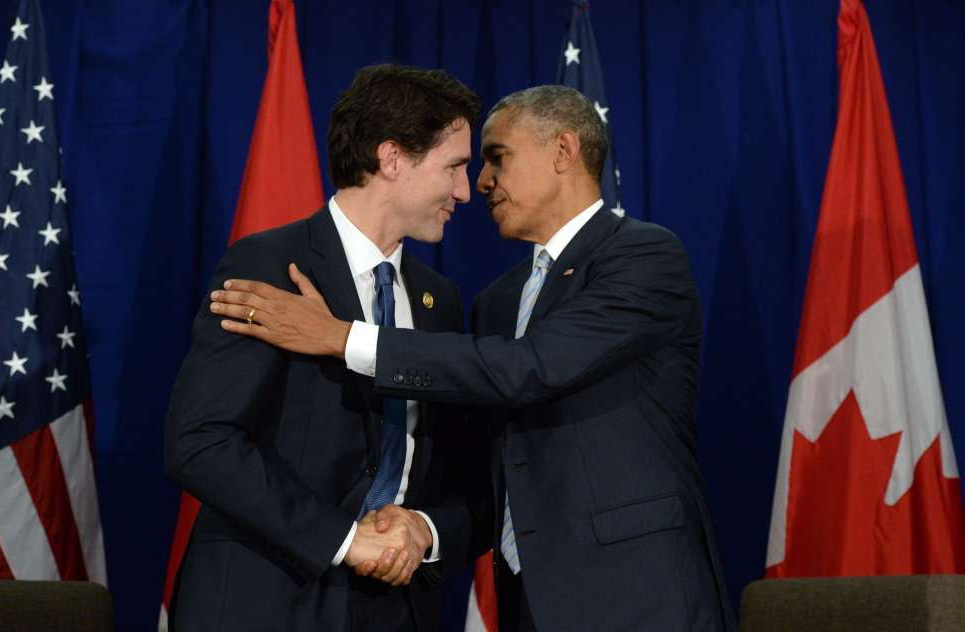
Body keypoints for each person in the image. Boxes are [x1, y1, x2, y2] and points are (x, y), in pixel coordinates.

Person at [210, 85, 736, 631]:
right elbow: (485, 467)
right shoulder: (495, 302)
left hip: (636, 597)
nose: (479, 184)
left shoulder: (644, 256)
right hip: (528, 600)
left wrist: (343, 338)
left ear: (563, 151)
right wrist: (424, 528)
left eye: (496, 158)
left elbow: (531, 367)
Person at [165, 64, 487, 632]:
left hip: (397, 609)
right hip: (266, 602)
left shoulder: (441, 301)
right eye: (455, 166)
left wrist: (425, 530)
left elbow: (462, 475)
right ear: (392, 158)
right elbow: (201, 441)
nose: (466, 190)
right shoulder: (269, 266)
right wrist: (343, 539)